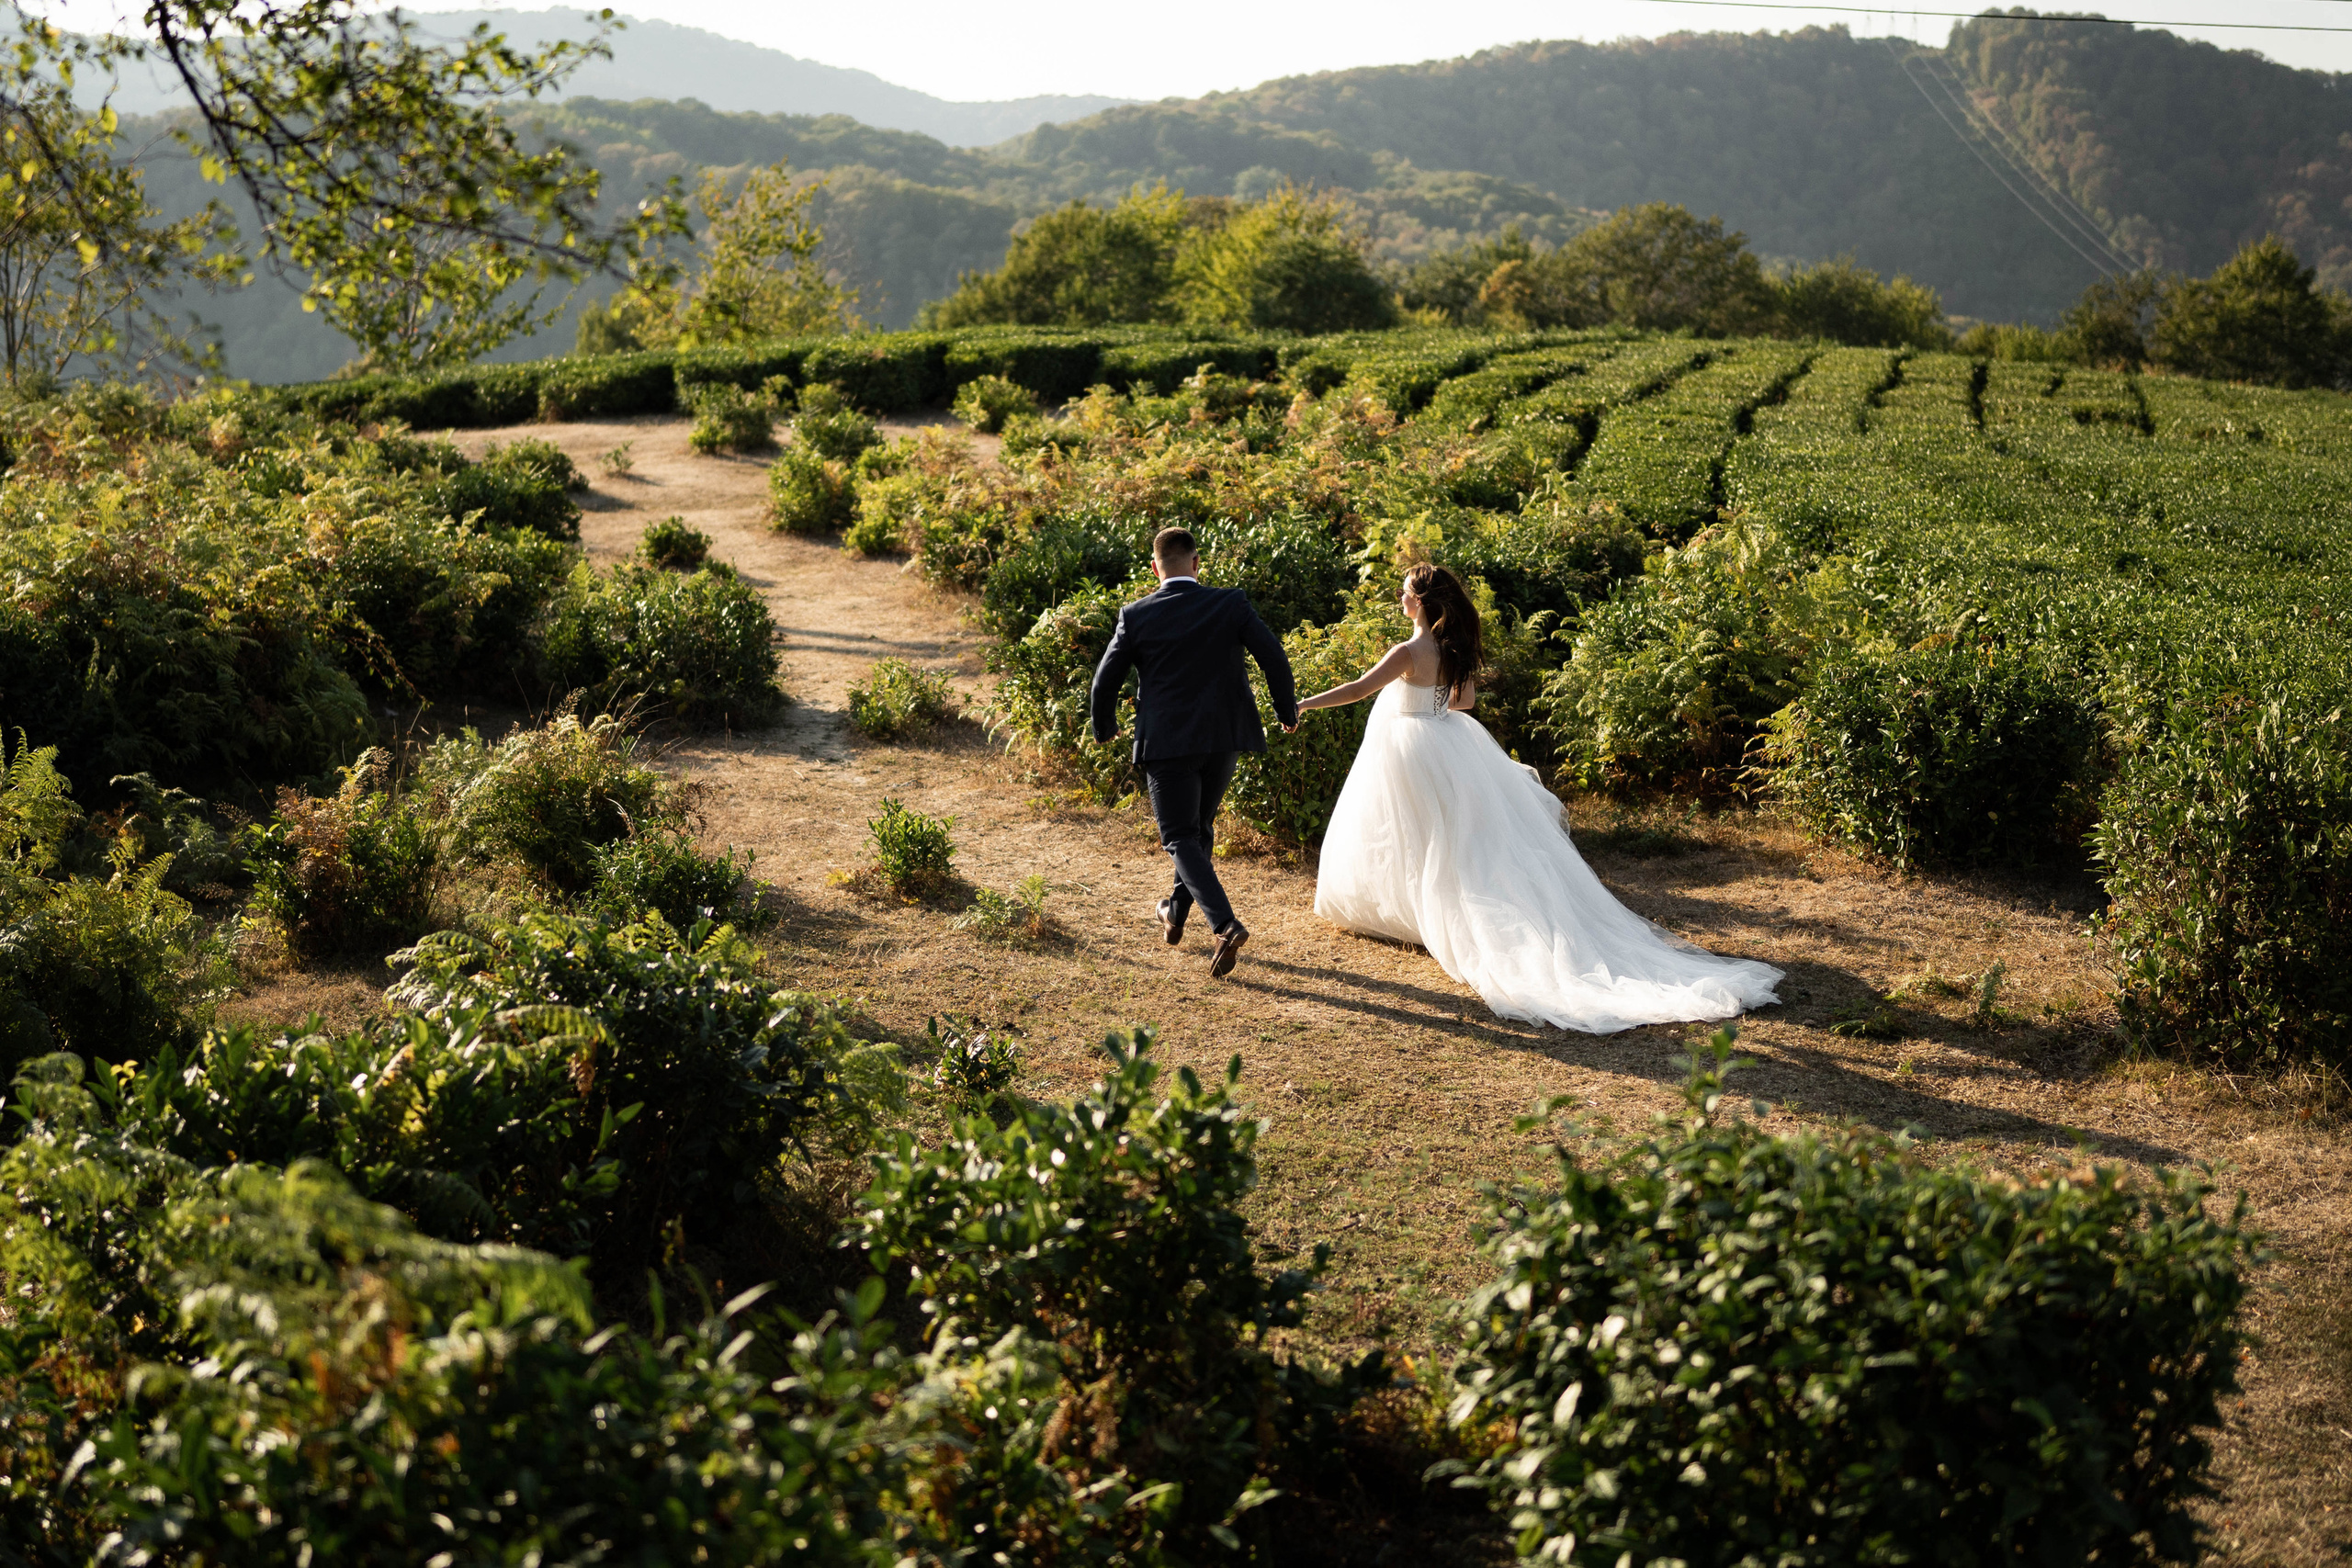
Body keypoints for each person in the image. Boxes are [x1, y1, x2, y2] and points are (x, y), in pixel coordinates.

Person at [1293, 562, 1782, 1032]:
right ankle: (1433, 916)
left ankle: (1421, 917)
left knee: (1414, 836)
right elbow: (1463, 703)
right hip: (1450, 742)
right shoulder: (1453, 649)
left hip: (1411, 748)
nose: (1399, 598)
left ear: (1420, 602)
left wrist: (1305, 703)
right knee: (1456, 842)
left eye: (1404, 592)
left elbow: (1358, 690)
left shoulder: (1408, 651)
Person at [1090, 526, 1298, 978]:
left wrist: (1104, 727)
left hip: (1166, 743)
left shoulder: (1136, 614)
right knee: (1199, 831)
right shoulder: (1230, 603)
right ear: (1196, 563)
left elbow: (1105, 679)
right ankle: (1174, 913)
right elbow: (1273, 655)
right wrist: (1286, 709)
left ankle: (1224, 925)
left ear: (1154, 568)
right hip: (1224, 738)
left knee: (1180, 835)